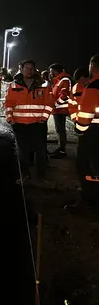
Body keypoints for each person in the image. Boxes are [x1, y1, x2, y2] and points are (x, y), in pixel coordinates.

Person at [4, 60, 55, 184]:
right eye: (26, 68)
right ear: (21, 70)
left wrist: (44, 118)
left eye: (31, 68)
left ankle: (41, 177)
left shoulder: (44, 84)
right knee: (22, 153)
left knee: (41, 151)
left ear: (35, 69)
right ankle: (25, 175)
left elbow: (49, 103)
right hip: (19, 124)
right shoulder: (14, 85)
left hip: (38, 124)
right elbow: (8, 103)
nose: (29, 71)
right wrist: (10, 118)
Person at [67, 55, 99, 210]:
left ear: (92, 67)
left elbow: (85, 116)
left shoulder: (94, 86)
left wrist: (79, 129)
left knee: (86, 166)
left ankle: (90, 199)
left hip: (94, 134)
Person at [48, 64, 72, 158]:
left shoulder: (64, 80)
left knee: (60, 130)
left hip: (60, 109)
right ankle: (60, 148)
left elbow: (64, 95)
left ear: (55, 71)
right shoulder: (58, 80)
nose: (50, 73)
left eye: (51, 71)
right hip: (58, 109)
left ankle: (62, 151)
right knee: (59, 130)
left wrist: (55, 104)